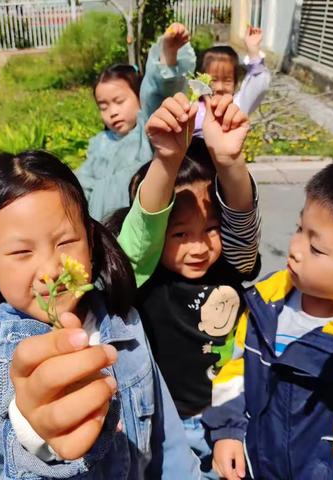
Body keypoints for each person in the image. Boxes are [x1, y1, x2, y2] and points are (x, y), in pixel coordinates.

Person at [0, 150, 201, 479]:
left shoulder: (123, 320)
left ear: (90, 239)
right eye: (21, 252)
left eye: (67, 241)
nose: (52, 270)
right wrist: (34, 426)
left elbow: (166, 435)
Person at [113, 93, 260, 478]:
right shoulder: (146, 276)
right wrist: (166, 161)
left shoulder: (230, 263)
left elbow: (242, 225)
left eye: (211, 229)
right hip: (169, 425)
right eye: (179, 233)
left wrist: (230, 163)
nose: (199, 247)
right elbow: (140, 236)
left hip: (233, 417)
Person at [202, 158, 333, 480]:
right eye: (300, 228)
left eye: (316, 247)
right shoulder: (267, 303)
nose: (296, 248)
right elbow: (234, 368)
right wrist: (227, 431)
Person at [76, 23, 196, 220]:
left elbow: (158, 93)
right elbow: (82, 183)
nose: (112, 112)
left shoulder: (147, 132)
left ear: (139, 97)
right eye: (103, 106)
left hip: (139, 227)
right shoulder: (98, 143)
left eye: (119, 101)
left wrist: (168, 55)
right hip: (103, 231)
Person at [194, 26, 270, 137]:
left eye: (227, 80)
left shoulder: (237, 107)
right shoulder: (192, 110)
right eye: (213, 80)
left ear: (235, 82)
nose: (220, 87)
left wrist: (253, 49)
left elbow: (258, 85)